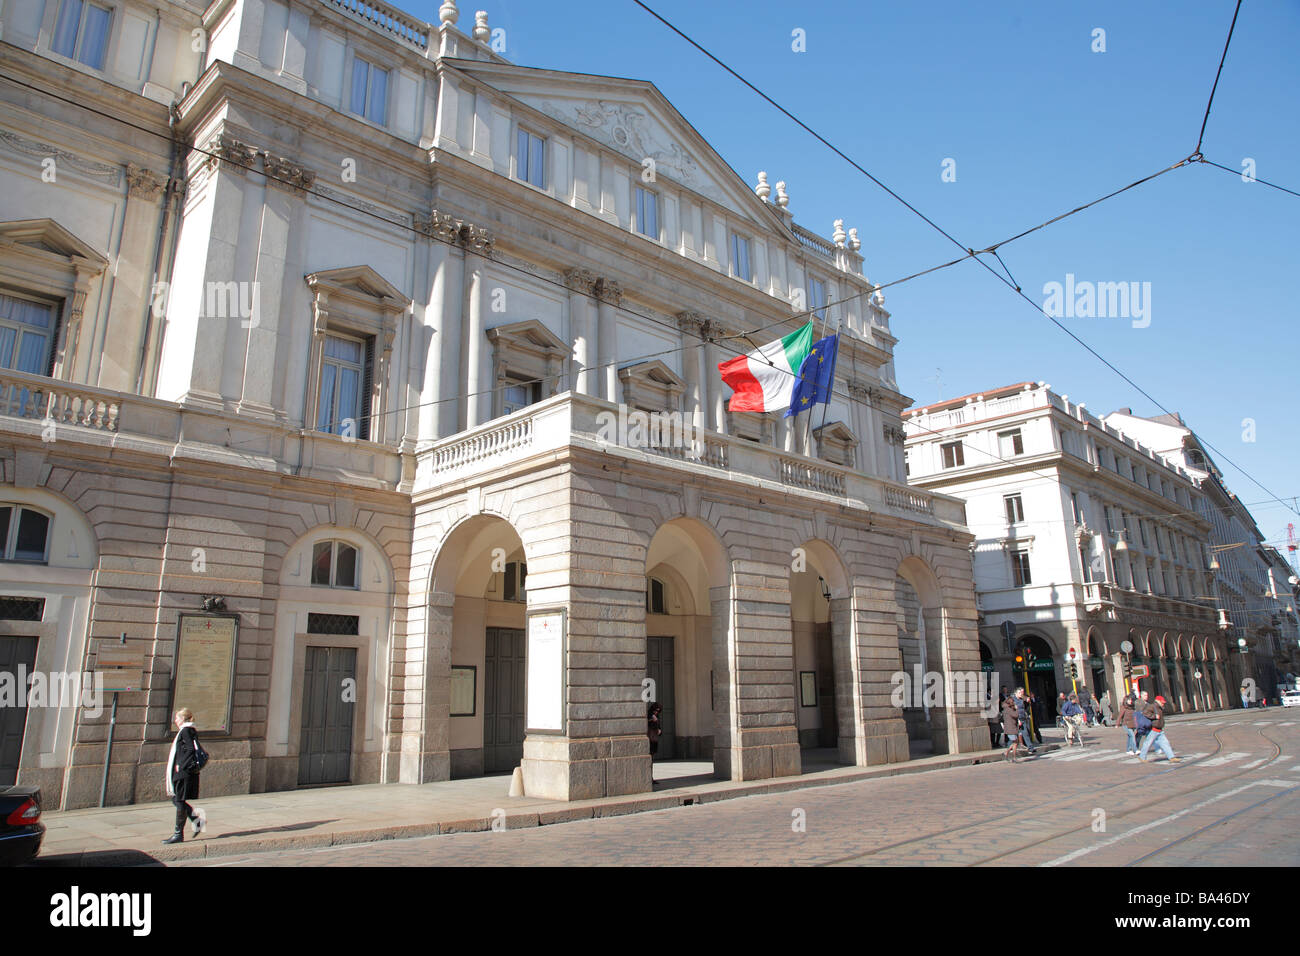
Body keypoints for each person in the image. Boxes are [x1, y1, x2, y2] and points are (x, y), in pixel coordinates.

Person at [163, 708, 206, 844]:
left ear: (183, 719)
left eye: (177, 718)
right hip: (184, 771)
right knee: (176, 799)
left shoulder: (186, 731)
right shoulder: (189, 730)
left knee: (179, 800)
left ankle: (178, 834)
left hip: (183, 771)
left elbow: (190, 749)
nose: (175, 720)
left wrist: (181, 765)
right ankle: (197, 821)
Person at [1138, 695, 1182, 764]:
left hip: (1159, 730)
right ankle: (1142, 757)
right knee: (1147, 743)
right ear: (1158, 701)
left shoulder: (1159, 707)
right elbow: (1145, 712)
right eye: (1162, 702)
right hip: (1154, 729)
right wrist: (1154, 716)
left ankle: (1171, 757)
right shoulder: (1153, 706)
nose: (1163, 703)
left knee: (1165, 743)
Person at [1013, 688, 1037, 754]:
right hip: (1016, 719)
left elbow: (1027, 705)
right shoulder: (1013, 700)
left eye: (1021, 693)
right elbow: (1013, 710)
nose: (1021, 694)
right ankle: (1011, 748)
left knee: (1025, 733)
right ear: (1016, 693)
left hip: (1023, 718)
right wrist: (1017, 719)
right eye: (1020, 693)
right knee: (1014, 734)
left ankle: (1030, 748)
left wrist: (1027, 700)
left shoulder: (1022, 699)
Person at [1001, 692, 1023, 761]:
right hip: (1011, 728)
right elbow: (1015, 715)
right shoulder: (1009, 709)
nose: (1014, 703)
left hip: (1011, 728)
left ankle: (1008, 754)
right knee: (1015, 742)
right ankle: (1012, 756)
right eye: (1013, 701)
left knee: (1015, 743)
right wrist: (1016, 709)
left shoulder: (1006, 709)